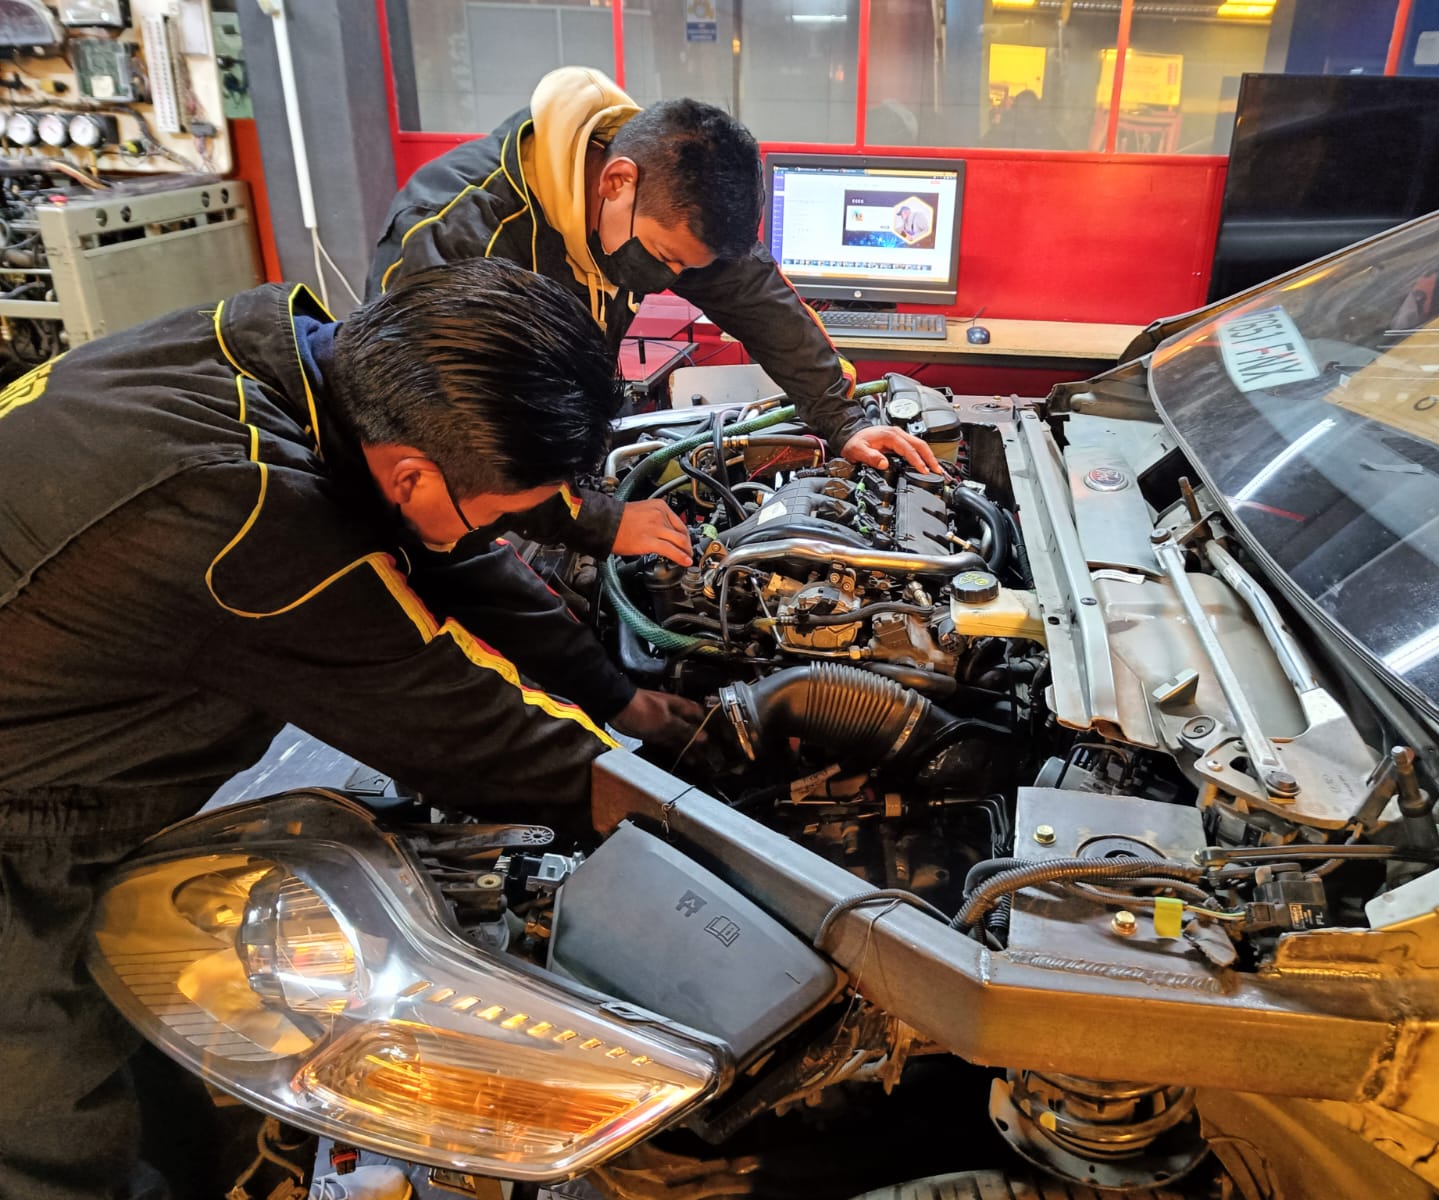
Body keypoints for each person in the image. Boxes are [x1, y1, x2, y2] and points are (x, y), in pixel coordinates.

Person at [0, 259, 698, 1200]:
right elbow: (468, 728)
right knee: (47, 1143)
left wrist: (620, 699)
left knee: (144, 1059)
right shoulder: (243, 511)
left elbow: (450, 555)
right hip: (17, 811)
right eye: (496, 511)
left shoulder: (289, 355)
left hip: (57, 700)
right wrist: (690, 814)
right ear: (414, 471)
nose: (488, 534)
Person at [368, 66, 941, 565]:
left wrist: (843, 419)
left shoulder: (661, 195)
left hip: (557, 463)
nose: (672, 280)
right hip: (458, 516)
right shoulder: (455, 236)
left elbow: (756, 295)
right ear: (618, 181)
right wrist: (598, 521)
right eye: (667, 259)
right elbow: (454, 444)